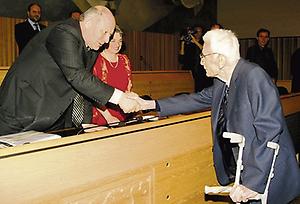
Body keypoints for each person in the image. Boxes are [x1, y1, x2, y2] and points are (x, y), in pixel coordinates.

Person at [137, 29, 300, 203]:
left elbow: (269, 131)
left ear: (221, 59)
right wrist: (150, 104)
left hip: (268, 172)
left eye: (204, 56)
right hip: (249, 167)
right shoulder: (223, 81)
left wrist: (253, 183)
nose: (201, 62)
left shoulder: (254, 76)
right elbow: (196, 99)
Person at [0, 6, 141, 136]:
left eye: (109, 36)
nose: (106, 41)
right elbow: (76, 76)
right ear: (89, 22)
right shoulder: (64, 31)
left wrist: (85, 123)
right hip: (20, 109)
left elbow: (84, 87)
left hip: (51, 115)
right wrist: (120, 98)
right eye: (104, 32)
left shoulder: (92, 47)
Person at [92, 25, 133, 125]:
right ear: (105, 40)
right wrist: (108, 117)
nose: (117, 44)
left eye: (120, 41)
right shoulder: (96, 60)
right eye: (113, 41)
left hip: (123, 112)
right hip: (103, 115)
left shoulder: (124, 59)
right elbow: (93, 93)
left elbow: (128, 88)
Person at [180, 25, 212, 92]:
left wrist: (195, 41)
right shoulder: (189, 43)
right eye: (196, 32)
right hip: (189, 70)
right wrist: (182, 43)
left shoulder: (205, 42)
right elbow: (181, 58)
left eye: (200, 32)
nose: (198, 33)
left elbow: (204, 50)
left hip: (201, 72)